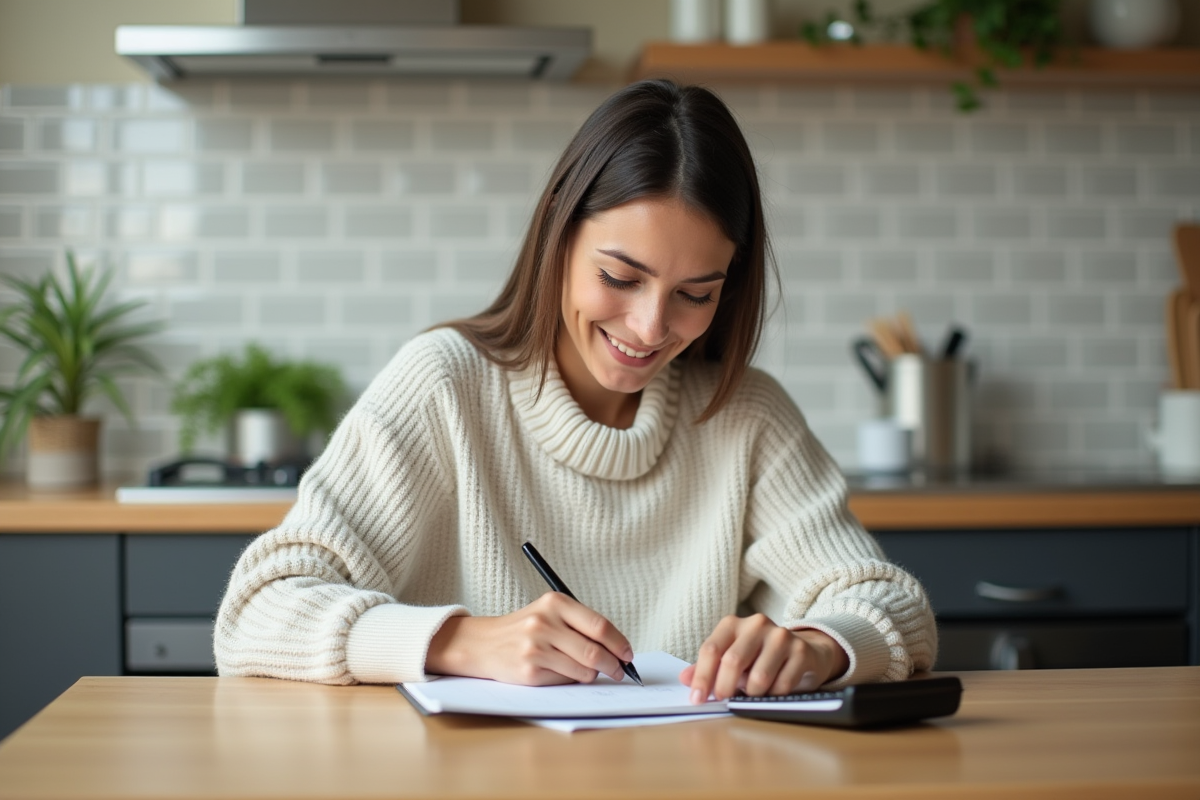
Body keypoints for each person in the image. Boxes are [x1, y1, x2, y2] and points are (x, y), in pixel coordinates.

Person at [214, 79, 936, 703]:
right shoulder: (445, 386)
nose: (651, 327)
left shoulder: (745, 415)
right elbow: (258, 614)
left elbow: (890, 604)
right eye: (620, 278)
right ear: (559, 231)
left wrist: (817, 647)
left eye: (695, 293)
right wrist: (462, 641)